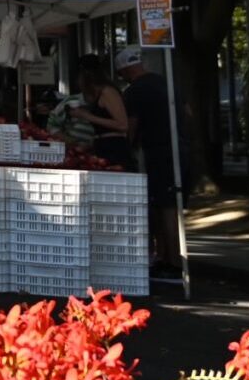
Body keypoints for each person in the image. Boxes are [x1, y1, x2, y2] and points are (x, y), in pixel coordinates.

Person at [118, 47, 181, 273]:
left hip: (154, 150)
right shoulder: (165, 83)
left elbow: (131, 125)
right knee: (168, 204)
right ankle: (167, 255)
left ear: (125, 70)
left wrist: (126, 148)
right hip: (175, 146)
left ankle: (171, 258)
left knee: (162, 205)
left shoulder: (134, 91)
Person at [70, 55, 135, 169]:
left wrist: (87, 116)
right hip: (102, 146)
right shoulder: (97, 94)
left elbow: (123, 125)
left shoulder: (108, 92)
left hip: (115, 148)